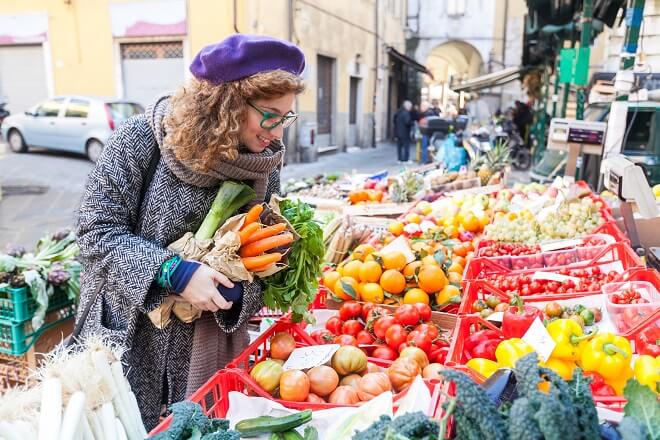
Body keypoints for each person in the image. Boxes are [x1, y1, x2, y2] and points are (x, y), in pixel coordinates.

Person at [74, 34, 305, 430]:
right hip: (127, 341)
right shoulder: (141, 139)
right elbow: (94, 233)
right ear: (228, 103)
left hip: (202, 350)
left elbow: (265, 255)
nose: (278, 132)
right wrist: (175, 274)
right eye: (270, 114)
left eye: (285, 116)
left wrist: (235, 293)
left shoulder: (263, 163)